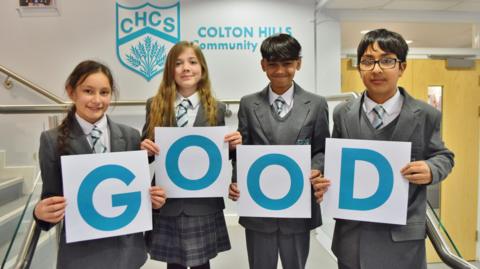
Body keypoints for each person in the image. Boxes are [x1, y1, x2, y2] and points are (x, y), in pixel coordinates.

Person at [313, 28, 455, 269]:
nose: (376, 69)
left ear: (402, 67)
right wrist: (322, 178)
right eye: (368, 61)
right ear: (359, 68)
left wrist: (431, 169)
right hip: (352, 237)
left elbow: (444, 156)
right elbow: (332, 156)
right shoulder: (343, 114)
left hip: (402, 241)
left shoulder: (426, 115)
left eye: (387, 61)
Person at [33, 60, 166, 269]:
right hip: (82, 256)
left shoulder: (131, 136)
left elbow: (132, 193)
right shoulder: (51, 140)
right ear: (71, 91)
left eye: (104, 92)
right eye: (88, 91)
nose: (97, 100)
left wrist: (152, 201)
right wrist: (41, 214)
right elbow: (51, 199)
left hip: (127, 252)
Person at [228, 33, 330, 269]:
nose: (280, 71)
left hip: (298, 201)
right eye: (273, 64)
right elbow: (241, 152)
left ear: (298, 63)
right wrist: (236, 180)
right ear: (263, 65)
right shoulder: (248, 103)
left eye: (287, 64)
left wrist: (316, 169)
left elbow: (322, 149)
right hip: (258, 205)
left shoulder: (316, 104)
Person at [140, 41, 242, 269]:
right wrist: (143, 150)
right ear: (170, 70)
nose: (186, 68)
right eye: (178, 63)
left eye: (192, 62)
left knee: (201, 263)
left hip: (203, 200)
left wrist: (232, 148)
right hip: (166, 199)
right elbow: (146, 156)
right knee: (173, 263)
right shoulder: (155, 105)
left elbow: (216, 156)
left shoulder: (216, 107)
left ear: (202, 69)